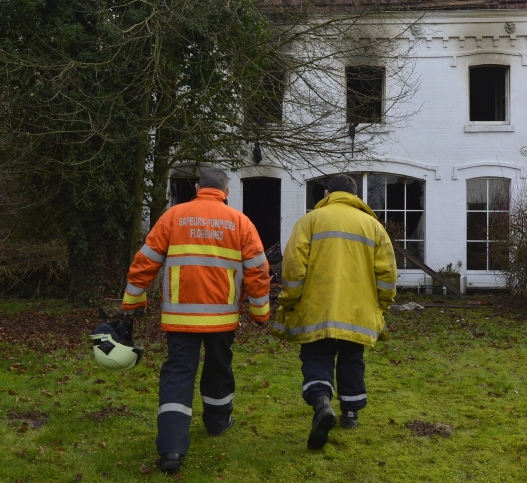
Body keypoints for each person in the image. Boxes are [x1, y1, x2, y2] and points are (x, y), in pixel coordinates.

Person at [121, 167, 270, 473]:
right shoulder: (240, 222)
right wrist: (259, 312)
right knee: (219, 368)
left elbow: (145, 260)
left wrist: (133, 299)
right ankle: (217, 423)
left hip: (180, 315)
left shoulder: (174, 216)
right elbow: (258, 271)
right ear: (226, 192)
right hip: (223, 317)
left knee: (177, 373)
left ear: (197, 187)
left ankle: (172, 450)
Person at [272, 174, 397, 450]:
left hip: (317, 307)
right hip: (357, 310)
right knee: (353, 357)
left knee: (317, 354)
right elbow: (387, 273)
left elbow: (293, 266)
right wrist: (382, 304)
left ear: (327, 193)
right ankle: (350, 413)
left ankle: (321, 402)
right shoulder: (373, 226)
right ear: (355, 196)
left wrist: (289, 301)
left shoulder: (309, 221)